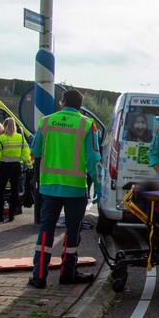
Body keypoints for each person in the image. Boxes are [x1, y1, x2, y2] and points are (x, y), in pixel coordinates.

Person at [28, 89, 102, 288]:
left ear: (62, 102)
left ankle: (39, 275)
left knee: (46, 229)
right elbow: (94, 159)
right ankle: (67, 273)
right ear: (80, 105)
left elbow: (35, 151)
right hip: (75, 188)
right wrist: (99, 186)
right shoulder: (87, 125)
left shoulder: (45, 122)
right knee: (72, 231)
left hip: (49, 186)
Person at [0, 118, 32, 222]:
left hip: (4, 167)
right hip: (16, 167)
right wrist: (29, 167)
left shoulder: (1, 138)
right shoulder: (21, 138)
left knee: (0, 191)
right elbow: (26, 154)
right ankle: (11, 215)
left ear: (4, 126)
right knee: (15, 191)